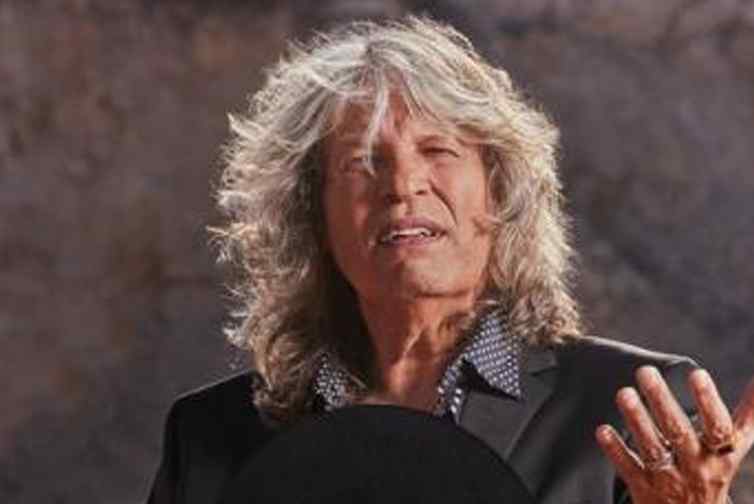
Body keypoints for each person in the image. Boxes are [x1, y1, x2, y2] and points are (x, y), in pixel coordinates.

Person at [147, 17, 754, 504]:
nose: (402, 185)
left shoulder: (634, 412)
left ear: (500, 193)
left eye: (438, 150)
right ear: (313, 216)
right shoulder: (208, 434)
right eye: (362, 162)